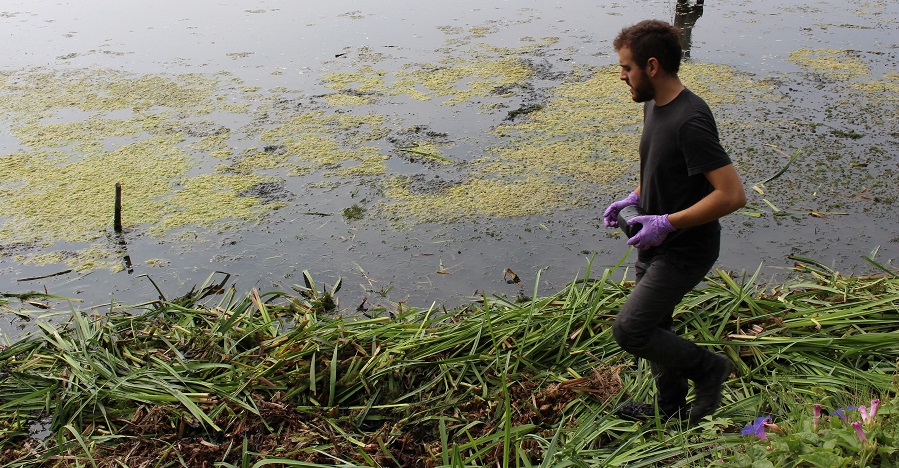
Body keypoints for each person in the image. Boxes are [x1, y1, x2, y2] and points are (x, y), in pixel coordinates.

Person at [603, 19, 747, 425]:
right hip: (655, 242)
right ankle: (671, 410)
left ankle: (708, 369)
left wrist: (667, 222)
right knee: (656, 326)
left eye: (626, 67)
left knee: (631, 331)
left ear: (651, 66)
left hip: (685, 249)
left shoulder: (690, 119)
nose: (621, 76)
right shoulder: (653, 104)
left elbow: (731, 194)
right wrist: (635, 198)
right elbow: (663, 168)